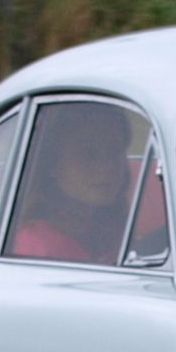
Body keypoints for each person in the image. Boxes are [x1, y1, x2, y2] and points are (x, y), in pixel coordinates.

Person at [10, 104, 133, 264]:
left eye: (115, 151)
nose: (107, 167)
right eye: (88, 154)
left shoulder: (116, 229)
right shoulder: (34, 247)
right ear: (52, 163)